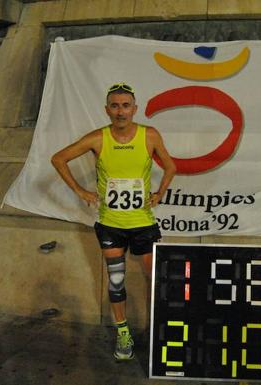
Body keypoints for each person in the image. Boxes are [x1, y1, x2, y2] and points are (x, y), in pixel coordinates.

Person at [51, 83, 176, 360]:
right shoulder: (98, 138)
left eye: (126, 105)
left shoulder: (149, 135)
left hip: (143, 223)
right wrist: (80, 191)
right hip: (111, 224)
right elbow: (59, 158)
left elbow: (171, 166)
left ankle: (159, 331)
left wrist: (160, 193)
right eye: (115, 106)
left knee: (156, 279)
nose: (121, 111)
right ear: (107, 110)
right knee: (117, 280)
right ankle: (123, 334)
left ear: (135, 108)